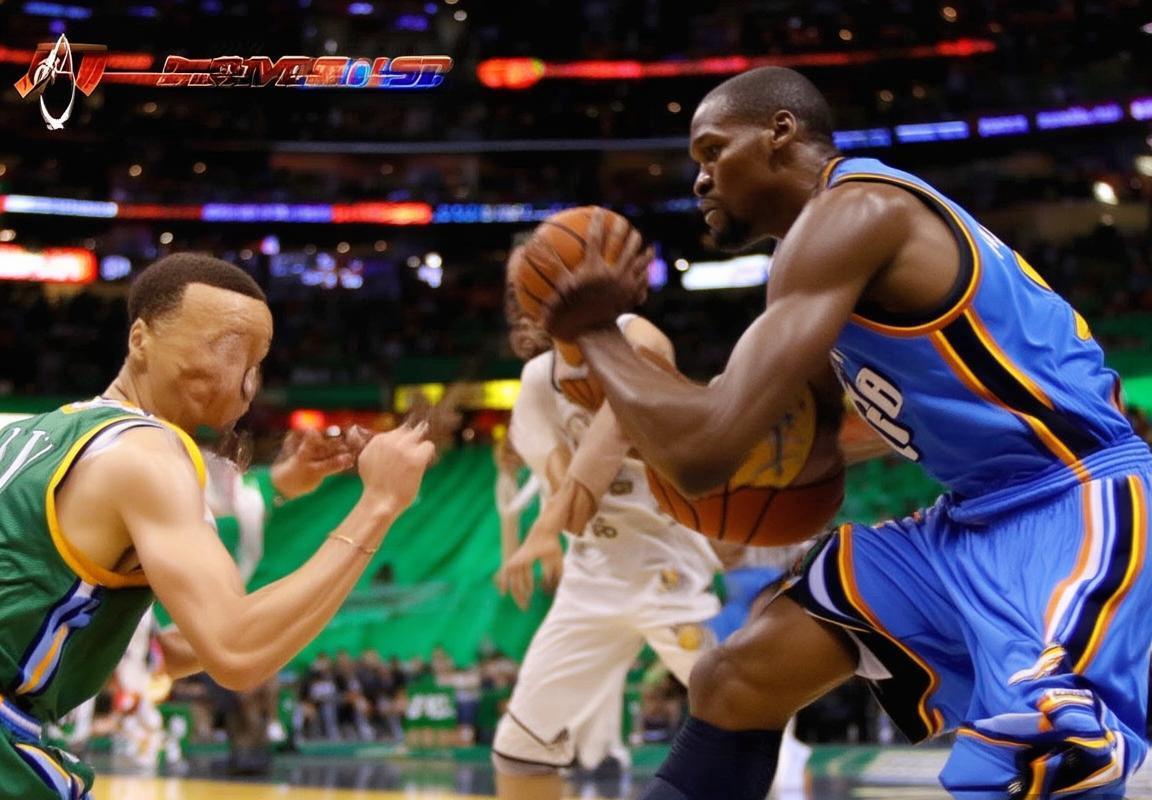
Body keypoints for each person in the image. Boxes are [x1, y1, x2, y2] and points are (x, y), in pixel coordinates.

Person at [542, 67, 1152, 800]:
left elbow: (705, 453)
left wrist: (596, 333)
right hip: (971, 517)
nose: (700, 180)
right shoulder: (827, 246)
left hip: (1075, 504)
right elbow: (801, 441)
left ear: (780, 132)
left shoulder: (855, 213)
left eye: (712, 151)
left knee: (1044, 767)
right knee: (737, 677)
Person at [0, 252, 435, 799]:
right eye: (225, 350)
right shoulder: (149, 452)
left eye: (256, 362)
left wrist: (280, 486)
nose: (243, 382)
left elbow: (150, 647)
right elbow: (236, 651)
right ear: (140, 339)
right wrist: (380, 504)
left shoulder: (32, 435)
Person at [491, 257, 723, 800]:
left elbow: (615, 426)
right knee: (520, 745)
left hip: (666, 561)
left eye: (531, 287)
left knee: (737, 711)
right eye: (518, 294)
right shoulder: (536, 381)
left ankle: (783, 768)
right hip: (591, 576)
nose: (521, 305)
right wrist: (549, 533)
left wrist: (546, 527)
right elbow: (565, 484)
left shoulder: (637, 336)